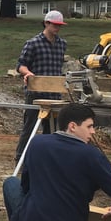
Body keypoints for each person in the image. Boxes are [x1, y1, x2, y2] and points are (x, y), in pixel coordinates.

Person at [3, 103, 111, 221]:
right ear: (72, 126)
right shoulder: (92, 156)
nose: (93, 132)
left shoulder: (37, 143)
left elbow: (26, 185)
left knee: (11, 183)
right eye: (89, 126)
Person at [14, 10, 68, 162]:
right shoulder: (33, 43)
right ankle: (21, 158)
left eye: (60, 25)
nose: (57, 28)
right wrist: (28, 73)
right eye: (55, 25)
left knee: (52, 129)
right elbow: (20, 66)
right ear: (46, 23)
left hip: (55, 93)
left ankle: (47, 158)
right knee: (30, 127)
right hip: (36, 92)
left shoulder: (62, 44)